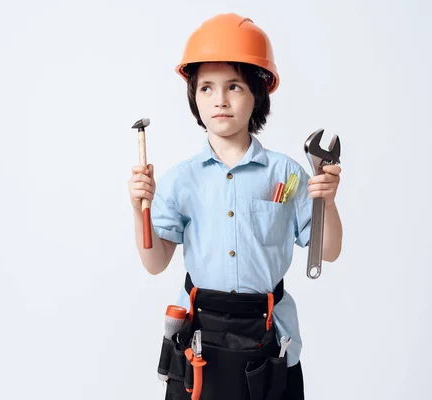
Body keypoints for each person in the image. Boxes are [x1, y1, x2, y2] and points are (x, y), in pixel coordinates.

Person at [128, 13, 342, 400]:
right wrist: (137, 207)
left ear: (257, 94)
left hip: (271, 341)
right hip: (198, 342)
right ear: (193, 95)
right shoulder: (180, 179)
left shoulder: (286, 173)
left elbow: (327, 251)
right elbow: (156, 262)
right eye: (206, 88)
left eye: (234, 86)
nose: (220, 100)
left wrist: (327, 201)